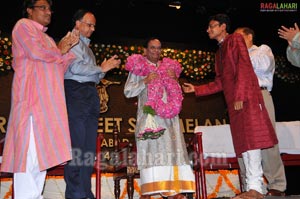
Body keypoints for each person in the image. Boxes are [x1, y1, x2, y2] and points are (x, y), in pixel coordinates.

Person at [182, 14, 278, 199]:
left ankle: (256, 187)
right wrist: (196, 89)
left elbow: (244, 67)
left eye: (212, 26)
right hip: (235, 102)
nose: (208, 30)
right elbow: (220, 82)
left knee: (252, 142)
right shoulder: (219, 53)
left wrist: (240, 96)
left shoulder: (234, 39)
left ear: (223, 26)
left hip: (246, 98)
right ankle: (254, 187)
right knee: (244, 144)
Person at [0, 0, 79, 198]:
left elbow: (57, 68)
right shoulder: (23, 26)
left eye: (50, 8)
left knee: (40, 161)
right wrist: (59, 50)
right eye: (42, 7)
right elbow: (36, 52)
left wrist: (67, 51)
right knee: (28, 159)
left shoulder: (49, 40)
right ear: (29, 9)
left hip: (48, 107)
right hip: (31, 104)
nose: (48, 12)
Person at [124, 38, 195, 199]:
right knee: (151, 151)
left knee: (171, 151)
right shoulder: (138, 67)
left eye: (159, 48)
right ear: (145, 51)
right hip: (150, 118)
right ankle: (149, 191)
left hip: (170, 120)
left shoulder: (169, 67)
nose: (156, 51)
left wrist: (175, 79)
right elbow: (128, 92)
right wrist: (144, 81)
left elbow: (177, 93)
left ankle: (172, 191)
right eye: (152, 48)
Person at [63, 9, 120, 199]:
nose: (93, 28)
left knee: (88, 149)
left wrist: (103, 69)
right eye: (89, 24)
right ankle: (74, 193)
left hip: (89, 93)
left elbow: (94, 76)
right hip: (76, 92)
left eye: (94, 25)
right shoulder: (70, 41)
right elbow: (74, 67)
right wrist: (99, 68)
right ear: (77, 23)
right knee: (77, 145)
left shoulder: (87, 48)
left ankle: (85, 192)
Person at [234, 27, 286, 196]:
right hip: (239, 99)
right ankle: (249, 185)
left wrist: (239, 56)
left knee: (267, 140)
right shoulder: (234, 57)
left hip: (259, 94)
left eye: (239, 37)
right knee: (243, 141)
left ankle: (276, 184)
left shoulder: (262, 50)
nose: (236, 41)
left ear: (249, 36)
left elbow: (263, 65)